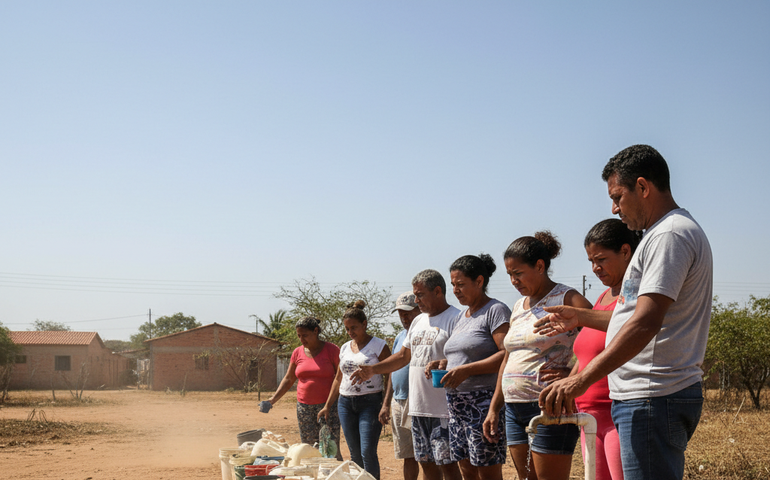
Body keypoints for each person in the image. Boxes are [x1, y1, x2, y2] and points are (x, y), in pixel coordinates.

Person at [538, 145, 713, 480]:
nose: (614, 208)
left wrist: (580, 380)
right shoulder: (661, 235)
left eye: (617, 197)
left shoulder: (669, 235)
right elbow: (634, 316)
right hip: (647, 398)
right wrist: (582, 317)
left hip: (652, 396)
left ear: (643, 187)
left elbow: (646, 322)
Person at [483, 231, 593, 480]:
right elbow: (508, 359)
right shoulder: (518, 306)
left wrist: (572, 375)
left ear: (540, 266)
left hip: (550, 405)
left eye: (518, 273)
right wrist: (494, 408)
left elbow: (598, 340)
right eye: (509, 275)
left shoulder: (567, 298)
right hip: (513, 408)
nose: (513, 281)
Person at [351, 270, 463, 480]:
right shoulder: (418, 321)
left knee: (448, 465)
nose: (416, 300)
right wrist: (373, 369)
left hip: (443, 409)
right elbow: (403, 356)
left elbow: (464, 358)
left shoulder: (456, 318)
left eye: (420, 295)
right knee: (426, 464)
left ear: (437, 291)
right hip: (418, 408)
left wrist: (445, 363)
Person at [572, 219, 640, 480]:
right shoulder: (602, 297)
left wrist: (579, 316)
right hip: (588, 416)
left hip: (616, 415)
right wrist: (568, 383)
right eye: (591, 261)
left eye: (601, 259)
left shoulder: (634, 294)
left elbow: (631, 325)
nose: (595, 268)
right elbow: (586, 356)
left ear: (625, 251)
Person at [442, 254, 511, 480]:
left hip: (482, 402)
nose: (455, 290)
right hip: (457, 405)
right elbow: (462, 355)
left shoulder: (495, 310)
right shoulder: (461, 317)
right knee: (467, 470)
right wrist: (443, 363)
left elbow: (506, 354)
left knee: (487, 470)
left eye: (460, 284)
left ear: (479, 281)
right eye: (453, 285)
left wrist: (467, 370)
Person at [319, 300, 391, 480]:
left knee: (367, 452)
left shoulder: (379, 346)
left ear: (364, 324)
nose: (350, 332)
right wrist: (327, 405)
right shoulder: (344, 347)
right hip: (345, 403)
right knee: (355, 454)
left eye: (354, 328)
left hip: (370, 403)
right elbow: (338, 378)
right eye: (347, 329)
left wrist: (386, 404)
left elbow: (390, 375)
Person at [266, 316, 342, 460]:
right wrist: (272, 399)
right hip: (304, 408)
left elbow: (339, 378)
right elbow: (289, 378)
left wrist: (328, 406)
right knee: (308, 449)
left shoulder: (332, 350)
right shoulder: (297, 353)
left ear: (315, 331)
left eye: (305, 335)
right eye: (299, 336)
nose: (302, 339)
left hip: (328, 407)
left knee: (330, 449)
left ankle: (333, 472)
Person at [378, 291, 421, 480]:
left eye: (408, 313)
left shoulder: (426, 333)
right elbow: (392, 372)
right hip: (399, 401)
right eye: (401, 314)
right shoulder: (400, 337)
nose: (404, 317)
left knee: (428, 456)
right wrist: (386, 403)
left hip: (419, 402)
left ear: (419, 309)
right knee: (407, 455)